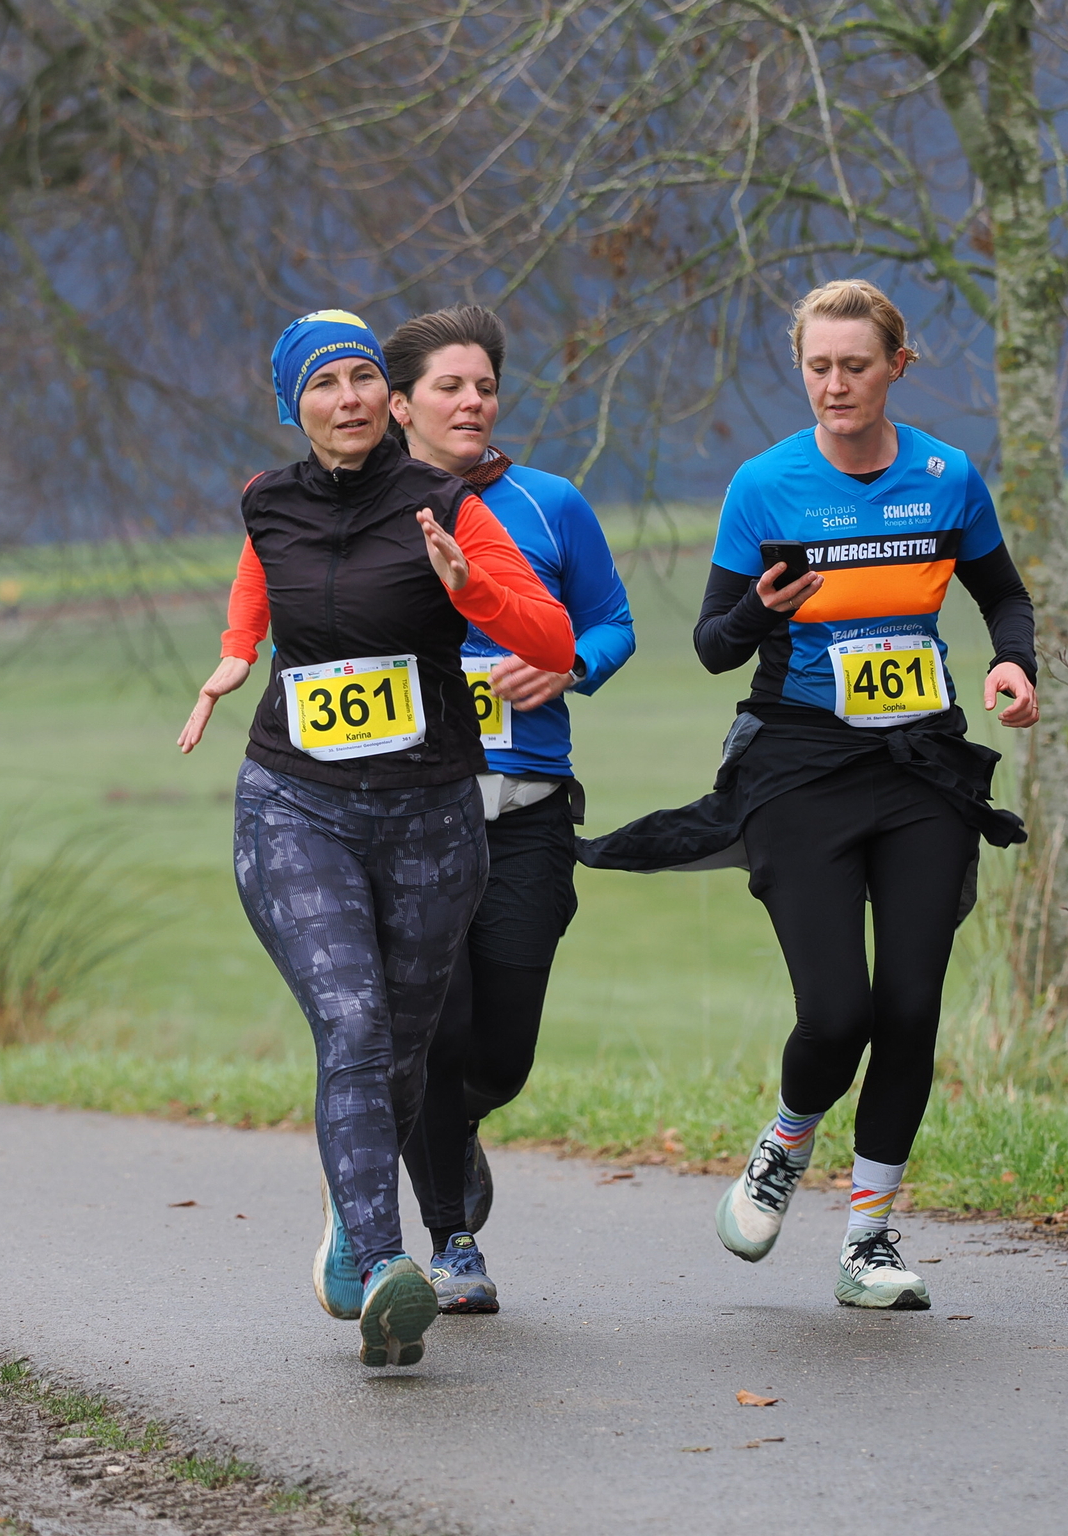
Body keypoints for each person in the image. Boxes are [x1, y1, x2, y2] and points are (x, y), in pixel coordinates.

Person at [578, 279, 1038, 1311]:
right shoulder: (765, 484)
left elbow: (1001, 594)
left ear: (895, 368)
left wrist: (1013, 663)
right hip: (797, 765)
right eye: (817, 367)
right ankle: (785, 1143)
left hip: (918, 762)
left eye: (855, 366)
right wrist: (759, 607)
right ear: (802, 370)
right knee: (836, 1012)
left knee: (909, 1008)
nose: (835, 385)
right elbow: (712, 646)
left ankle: (868, 1238)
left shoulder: (945, 477)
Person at [177, 309, 575, 1367]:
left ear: (388, 401)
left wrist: (470, 588)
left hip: (428, 812)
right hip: (295, 802)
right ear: (293, 405)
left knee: (402, 1042)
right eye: (323, 384)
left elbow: (550, 637)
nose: (346, 398)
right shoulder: (269, 501)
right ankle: (389, 1264)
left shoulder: (446, 505)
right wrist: (237, 648)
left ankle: (356, 1227)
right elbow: (260, 569)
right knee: (353, 1023)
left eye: (360, 377)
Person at [381, 305, 636, 1314]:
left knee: (501, 1054)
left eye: (484, 385)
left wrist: (568, 665)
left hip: (529, 810)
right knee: (436, 1034)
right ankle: (452, 1242)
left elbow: (612, 624)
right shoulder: (370, 513)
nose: (471, 402)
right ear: (399, 405)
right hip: (415, 811)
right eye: (448, 386)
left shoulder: (549, 504)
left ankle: (440, 1127)